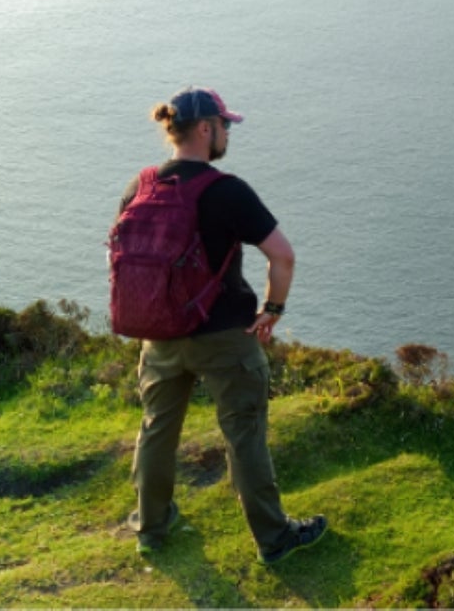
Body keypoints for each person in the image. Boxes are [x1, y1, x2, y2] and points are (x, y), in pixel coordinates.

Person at [119, 86, 329, 566]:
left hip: (160, 336)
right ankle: (274, 539)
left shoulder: (140, 185)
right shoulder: (226, 190)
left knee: (156, 430)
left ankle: (151, 527)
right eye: (225, 126)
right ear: (206, 129)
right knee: (244, 434)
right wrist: (273, 311)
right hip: (224, 338)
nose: (227, 134)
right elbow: (283, 256)